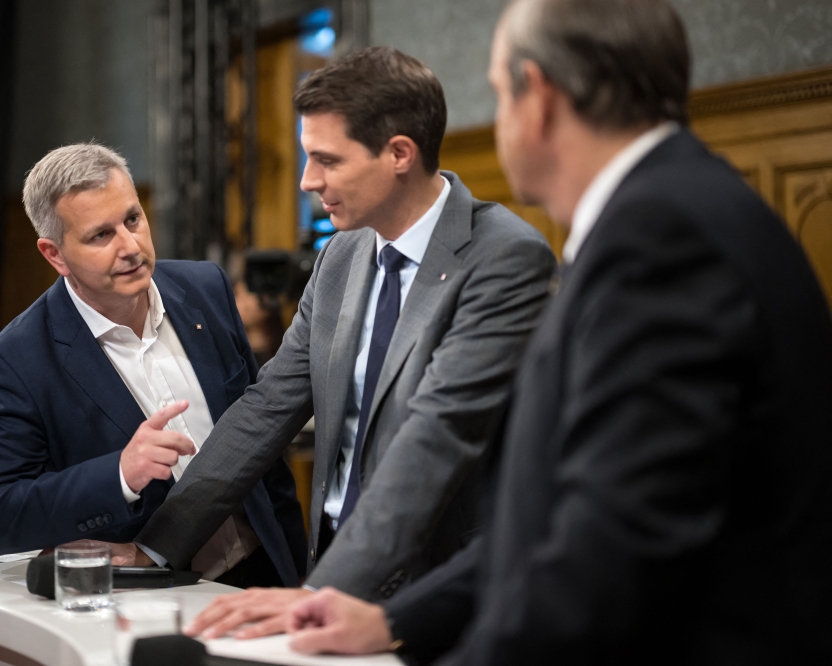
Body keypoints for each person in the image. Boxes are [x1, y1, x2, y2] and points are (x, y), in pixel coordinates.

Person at [281, 0, 832, 663]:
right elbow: (554, 515)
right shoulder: (670, 210)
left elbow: (607, 557)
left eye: (496, 92)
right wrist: (396, 619)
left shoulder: (660, 240)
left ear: (537, 95)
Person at [120, 46, 555, 638]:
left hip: (442, 592)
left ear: (399, 153)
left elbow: (438, 435)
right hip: (332, 570)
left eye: (327, 159)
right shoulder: (341, 255)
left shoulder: (504, 256)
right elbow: (266, 407)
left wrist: (321, 593)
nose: (307, 181)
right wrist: (155, 549)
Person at [0, 144, 306, 589]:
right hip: (153, 597)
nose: (130, 247)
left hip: (265, 572)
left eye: (133, 219)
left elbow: (266, 451)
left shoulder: (206, 287)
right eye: (100, 236)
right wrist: (120, 475)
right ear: (55, 255)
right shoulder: (20, 358)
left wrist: (299, 575)